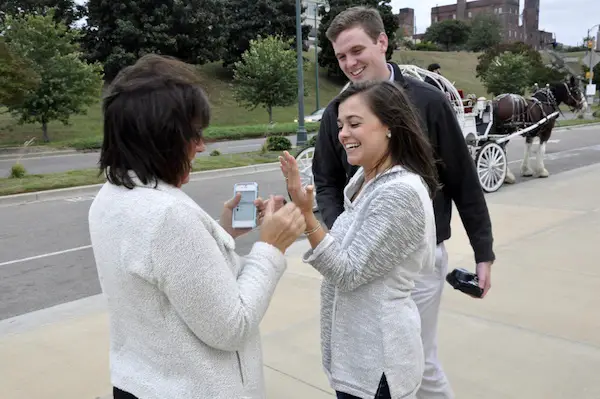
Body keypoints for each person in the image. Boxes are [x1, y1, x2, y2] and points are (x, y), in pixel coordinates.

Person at [87, 54, 306, 399]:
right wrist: (271, 247)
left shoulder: (110, 196)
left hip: (140, 381)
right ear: (160, 137)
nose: (201, 145)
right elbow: (232, 327)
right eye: (194, 134)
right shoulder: (168, 216)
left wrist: (221, 233)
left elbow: (164, 278)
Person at [311, 6, 495, 399]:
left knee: (418, 363)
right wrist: (342, 229)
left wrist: (484, 251)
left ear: (382, 42)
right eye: (341, 56)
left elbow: (463, 180)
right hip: (359, 258)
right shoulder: (337, 113)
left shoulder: (428, 102)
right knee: (362, 365)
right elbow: (326, 181)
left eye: (357, 50)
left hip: (418, 264)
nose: (349, 63)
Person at [282, 79, 439, 399]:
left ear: (389, 127)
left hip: (379, 367)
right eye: (340, 125)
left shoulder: (399, 193)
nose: (342, 134)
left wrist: (307, 215)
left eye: (354, 123)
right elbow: (339, 247)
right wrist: (297, 213)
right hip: (358, 360)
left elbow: (346, 271)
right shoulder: (365, 180)